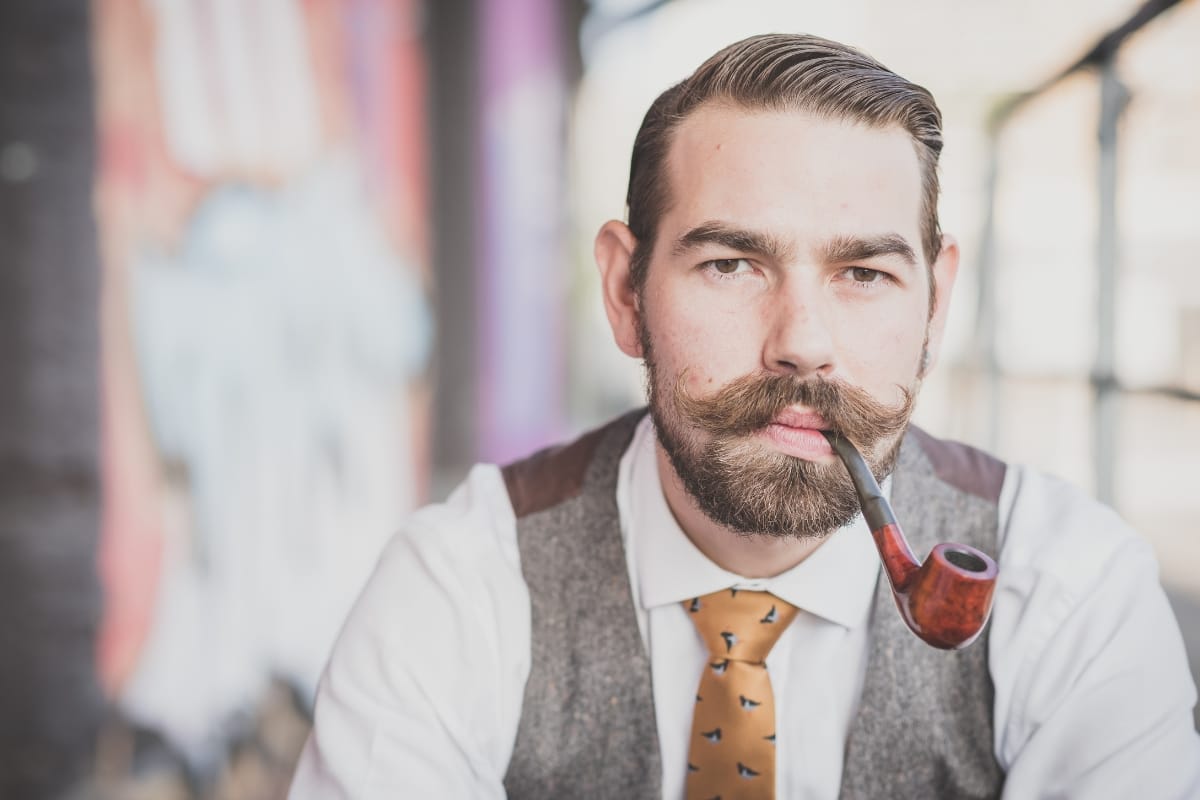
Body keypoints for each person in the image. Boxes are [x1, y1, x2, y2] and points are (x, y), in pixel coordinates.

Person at [288, 33, 1200, 799]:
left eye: (865, 274)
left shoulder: (1070, 593)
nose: (802, 343)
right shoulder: (458, 591)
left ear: (937, 302)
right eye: (731, 264)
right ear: (623, 291)